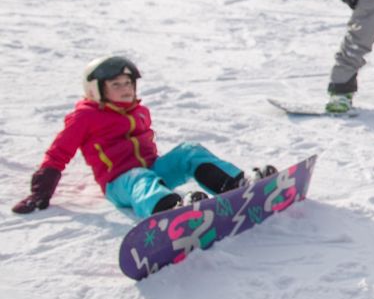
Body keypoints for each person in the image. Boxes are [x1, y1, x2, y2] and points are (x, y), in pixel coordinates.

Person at [11, 56, 273, 217]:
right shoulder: (85, 117)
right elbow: (59, 152)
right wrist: (41, 191)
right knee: (140, 176)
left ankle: (236, 184)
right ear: (96, 90)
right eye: (116, 85)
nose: (125, 89)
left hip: (151, 173)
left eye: (128, 84)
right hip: (120, 184)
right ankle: (170, 209)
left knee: (189, 150)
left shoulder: (138, 110)